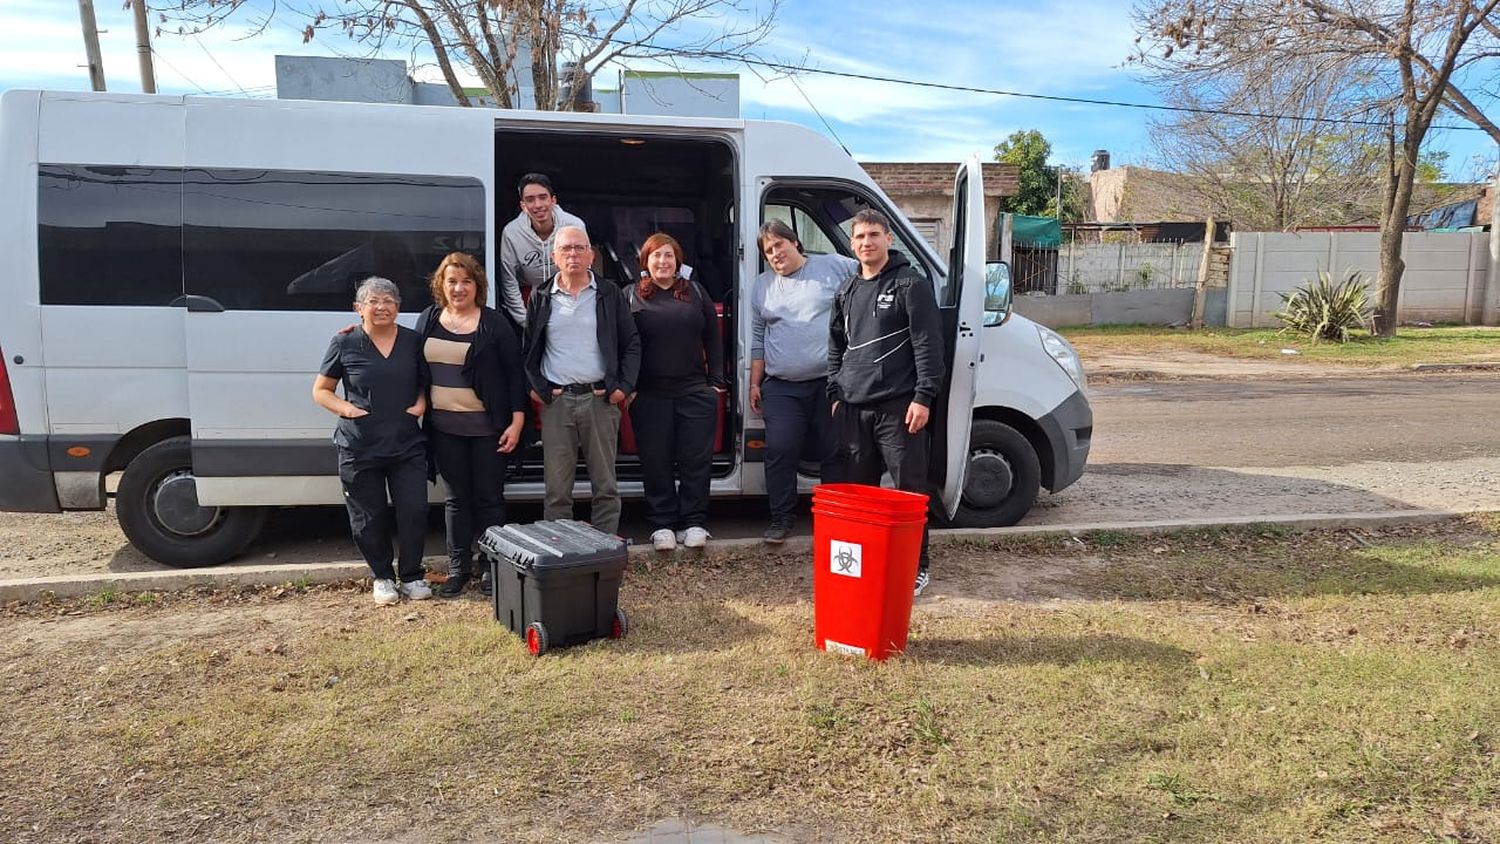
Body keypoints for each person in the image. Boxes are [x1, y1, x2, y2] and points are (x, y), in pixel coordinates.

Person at [827, 209, 946, 598]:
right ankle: (867, 563)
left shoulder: (912, 284)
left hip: (900, 410)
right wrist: (834, 391)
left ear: (889, 239)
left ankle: (916, 568)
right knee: (861, 495)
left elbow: (928, 346)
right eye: (859, 236)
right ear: (852, 243)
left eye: (874, 235)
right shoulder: (846, 291)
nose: (866, 243)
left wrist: (923, 397)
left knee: (908, 492)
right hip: (854, 409)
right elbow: (835, 346)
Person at [312, 277, 433, 605]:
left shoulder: (412, 341)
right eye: (373, 301)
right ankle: (381, 576)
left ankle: (411, 575)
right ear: (358, 308)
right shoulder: (344, 342)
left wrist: (421, 403)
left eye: (389, 301)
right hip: (359, 446)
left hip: (406, 443)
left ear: (398, 306)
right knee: (368, 515)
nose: (382, 307)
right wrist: (346, 409)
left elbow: (425, 381)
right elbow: (321, 391)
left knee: (414, 510)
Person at [415, 253, 526, 598]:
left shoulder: (494, 323)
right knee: (457, 500)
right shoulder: (429, 319)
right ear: (441, 285)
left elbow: (514, 374)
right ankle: (459, 569)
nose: (458, 288)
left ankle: (492, 567)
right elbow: (407, 356)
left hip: (488, 429)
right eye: (451, 281)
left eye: (466, 281)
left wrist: (517, 421)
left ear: (477, 286)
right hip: (444, 429)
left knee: (490, 499)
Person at [522, 225, 639, 535]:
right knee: (557, 490)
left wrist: (622, 388)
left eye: (579, 248)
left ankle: (605, 549)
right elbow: (528, 349)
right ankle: (560, 550)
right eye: (566, 249)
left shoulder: (609, 293)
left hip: (599, 400)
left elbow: (631, 343)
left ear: (591, 254)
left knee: (606, 485)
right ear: (554, 256)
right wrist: (536, 389)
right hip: (558, 403)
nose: (573, 254)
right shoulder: (542, 295)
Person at [749, 219, 857, 544]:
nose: (775, 254)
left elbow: (869, 277)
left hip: (829, 382)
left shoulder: (835, 266)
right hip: (781, 386)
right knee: (780, 449)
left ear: (794, 241)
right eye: (768, 251)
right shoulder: (761, 286)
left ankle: (837, 519)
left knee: (834, 453)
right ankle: (781, 518)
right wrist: (755, 382)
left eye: (779, 245)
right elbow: (757, 337)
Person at [625, 233, 725, 551]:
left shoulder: (695, 292)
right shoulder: (631, 296)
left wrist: (715, 382)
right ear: (646, 262)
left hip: (695, 391)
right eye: (656, 256)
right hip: (650, 395)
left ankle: (694, 521)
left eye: (668, 256)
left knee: (695, 460)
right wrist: (630, 389)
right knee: (657, 461)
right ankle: (662, 524)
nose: (663, 262)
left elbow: (713, 338)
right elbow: (623, 345)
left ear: (678, 261)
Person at [498, 173, 588, 329]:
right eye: (530, 199)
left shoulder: (575, 226)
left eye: (543, 197)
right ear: (523, 206)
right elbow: (509, 282)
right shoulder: (511, 233)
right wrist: (525, 322)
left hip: (569, 301)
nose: (538, 205)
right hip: (530, 302)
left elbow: (585, 273)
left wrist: (578, 316)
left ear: (553, 201)